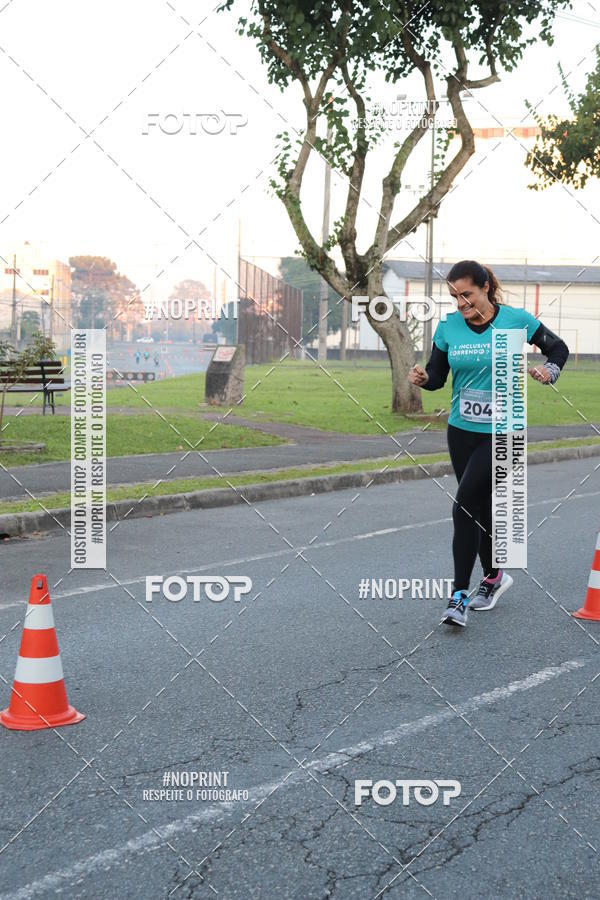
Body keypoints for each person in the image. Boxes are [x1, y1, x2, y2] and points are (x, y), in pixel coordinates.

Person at [408, 260, 569, 628]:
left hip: (505, 431)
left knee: (463, 505)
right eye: (454, 296)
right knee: (479, 507)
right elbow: (438, 377)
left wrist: (549, 370)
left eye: (466, 294)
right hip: (461, 430)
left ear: (485, 287)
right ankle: (495, 576)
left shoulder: (515, 320)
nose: (461, 302)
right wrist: (423, 378)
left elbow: (558, 349)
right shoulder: (448, 328)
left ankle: (458, 598)